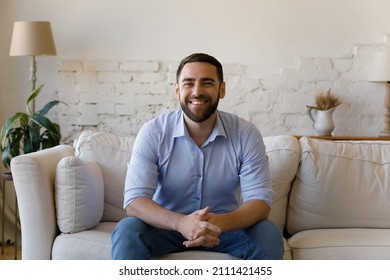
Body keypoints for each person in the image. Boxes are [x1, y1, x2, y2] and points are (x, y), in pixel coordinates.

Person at [111, 53, 284, 260]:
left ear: (222, 89)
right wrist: (181, 223)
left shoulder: (246, 134)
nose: (197, 91)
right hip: (166, 228)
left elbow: (260, 201)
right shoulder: (153, 133)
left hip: (224, 230)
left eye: (207, 83)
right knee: (128, 229)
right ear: (177, 90)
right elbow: (134, 201)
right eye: (188, 83)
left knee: (268, 232)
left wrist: (219, 223)